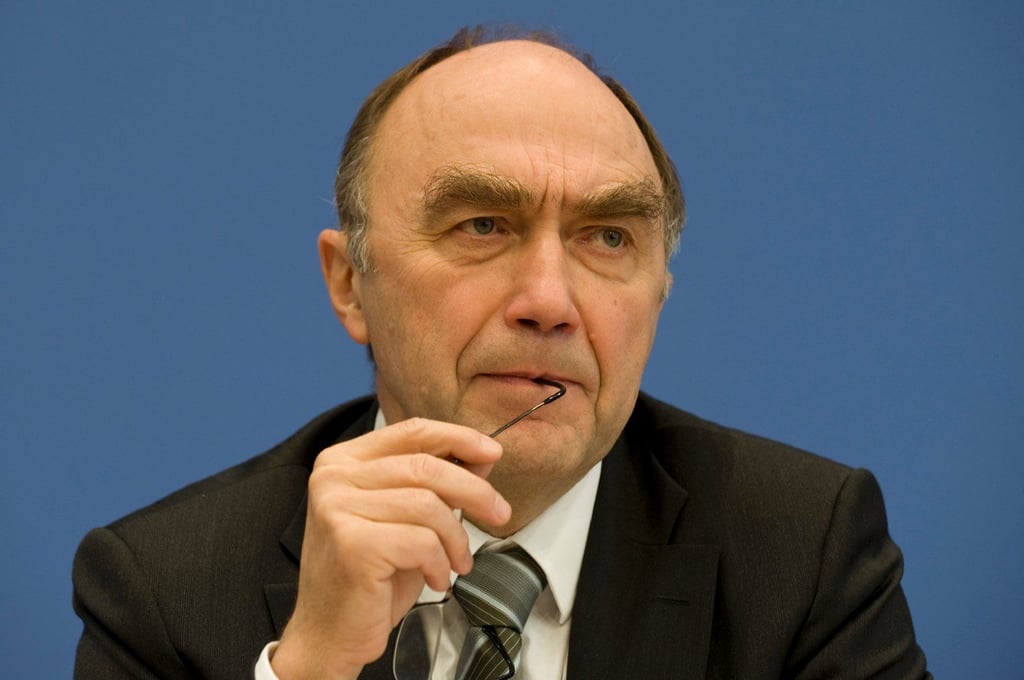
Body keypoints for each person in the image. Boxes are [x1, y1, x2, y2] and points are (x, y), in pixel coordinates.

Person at [72, 25, 930, 680]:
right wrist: (312, 668)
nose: (550, 302)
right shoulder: (163, 589)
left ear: (660, 291)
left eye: (608, 237)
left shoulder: (802, 556)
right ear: (350, 284)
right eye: (483, 225)